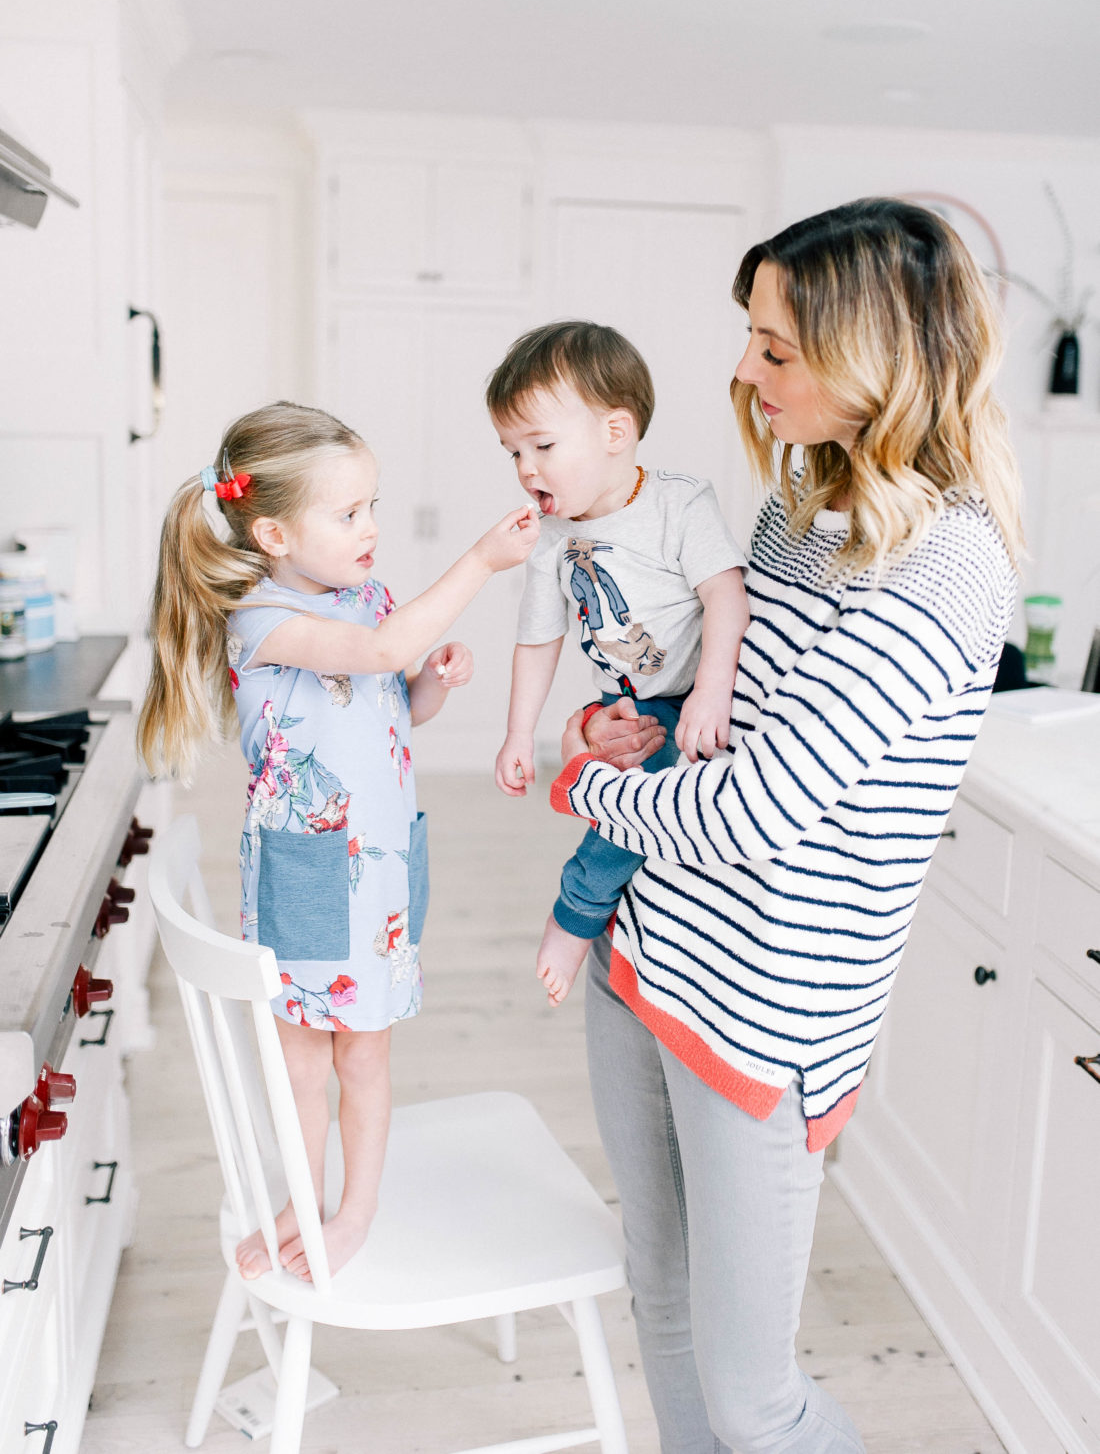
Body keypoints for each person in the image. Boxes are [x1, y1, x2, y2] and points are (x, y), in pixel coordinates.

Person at [550, 201, 1022, 1454]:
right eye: (748, 339)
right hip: (643, 957)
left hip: (763, 1017)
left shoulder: (945, 566)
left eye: (777, 349)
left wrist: (582, 788)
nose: (743, 374)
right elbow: (726, 735)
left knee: (756, 1396)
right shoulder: (793, 511)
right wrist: (634, 734)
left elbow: (759, 812)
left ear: (877, 356)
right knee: (660, 1299)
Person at [138, 401, 537, 1280]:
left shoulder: (368, 598)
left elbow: (395, 699)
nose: (372, 528)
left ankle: (357, 1205)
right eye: (349, 513)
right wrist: (478, 561)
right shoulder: (261, 622)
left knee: (367, 1046)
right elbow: (381, 648)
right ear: (275, 532)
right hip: (309, 880)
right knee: (303, 1056)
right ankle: (304, 1191)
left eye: (372, 506)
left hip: (382, 870)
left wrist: (430, 683)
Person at [487, 322, 749, 1004]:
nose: (525, 467)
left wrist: (712, 690)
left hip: (697, 690)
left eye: (542, 445)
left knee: (638, 802)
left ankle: (576, 914)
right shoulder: (551, 538)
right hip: (632, 701)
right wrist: (521, 732)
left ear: (615, 432)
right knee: (626, 795)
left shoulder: (678, 504)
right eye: (513, 450)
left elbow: (725, 593)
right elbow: (537, 640)